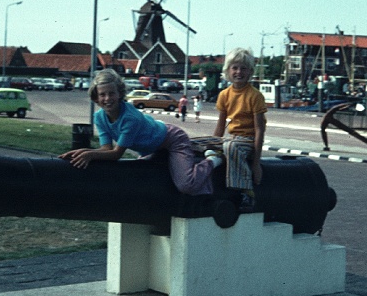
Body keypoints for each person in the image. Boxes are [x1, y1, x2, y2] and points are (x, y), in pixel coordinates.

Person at [59, 69, 222, 196]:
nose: (107, 98)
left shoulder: (130, 118)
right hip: (152, 144)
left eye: (111, 93)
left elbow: (116, 154)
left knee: (186, 184)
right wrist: (82, 152)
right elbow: (106, 149)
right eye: (102, 94)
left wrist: (90, 155)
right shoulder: (100, 117)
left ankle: (213, 160)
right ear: (96, 98)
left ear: (120, 94)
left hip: (172, 139)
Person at [212, 47, 267, 211]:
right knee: (202, 146)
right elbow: (221, 125)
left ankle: (246, 190)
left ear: (250, 71)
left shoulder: (255, 96)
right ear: (228, 71)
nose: (238, 72)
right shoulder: (224, 95)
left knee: (231, 146)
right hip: (231, 138)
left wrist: (256, 163)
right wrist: (212, 145)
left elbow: (260, 129)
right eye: (234, 68)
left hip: (247, 141)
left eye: (243, 68)